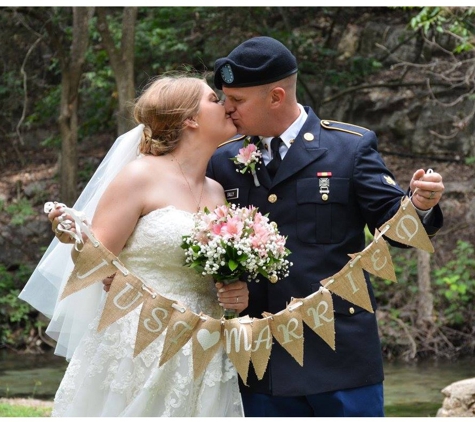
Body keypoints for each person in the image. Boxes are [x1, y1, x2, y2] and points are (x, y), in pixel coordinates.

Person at [206, 36, 445, 417]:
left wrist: (420, 205)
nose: (226, 109)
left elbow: (396, 232)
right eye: (224, 98)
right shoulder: (222, 160)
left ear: (276, 97)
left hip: (339, 358)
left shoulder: (349, 148)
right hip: (258, 364)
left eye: (237, 100)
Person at [18, 73, 250, 417]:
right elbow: (94, 262)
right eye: (213, 100)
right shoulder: (138, 176)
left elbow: (215, 274)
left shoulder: (218, 191)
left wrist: (236, 293)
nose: (225, 106)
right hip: (137, 342)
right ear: (190, 119)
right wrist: (75, 236)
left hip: (205, 346)